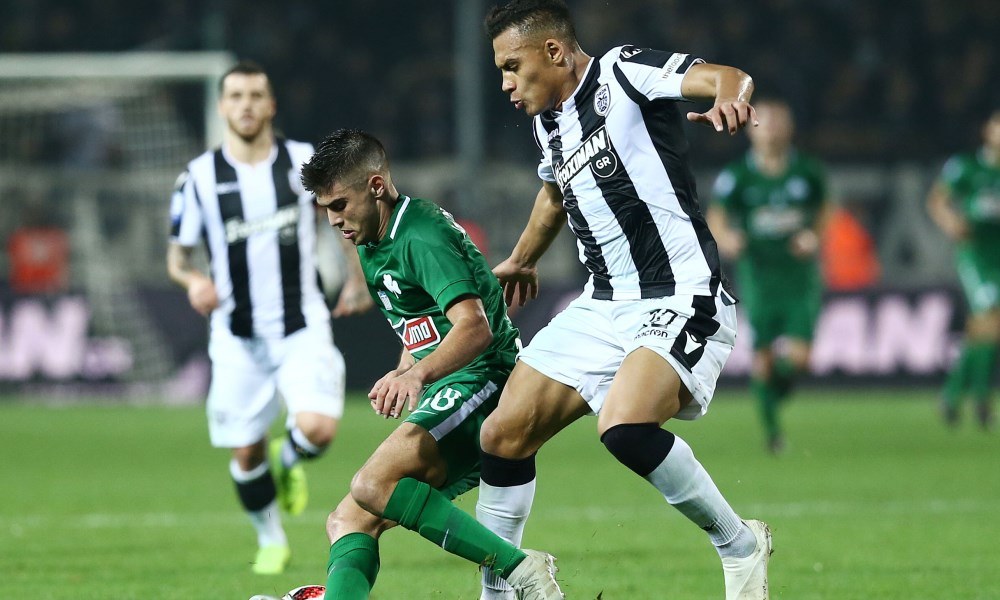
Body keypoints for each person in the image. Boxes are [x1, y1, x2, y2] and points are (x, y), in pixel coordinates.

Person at [479, 1, 772, 598]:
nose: (506, 83)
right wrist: (524, 257)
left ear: (553, 51)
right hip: (602, 303)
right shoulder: (548, 122)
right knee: (502, 435)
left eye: (512, 66)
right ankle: (500, 590)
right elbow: (554, 193)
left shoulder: (622, 72)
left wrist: (731, 96)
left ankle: (739, 543)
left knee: (625, 426)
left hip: (680, 292)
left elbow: (724, 76)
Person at [297, 128, 563, 600]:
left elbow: (474, 327)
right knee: (348, 520)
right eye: (325, 210)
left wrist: (419, 375)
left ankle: (522, 569)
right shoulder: (373, 238)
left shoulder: (420, 235)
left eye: (339, 205)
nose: (334, 220)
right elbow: (420, 320)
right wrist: (406, 369)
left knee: (372, 484)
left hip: (485, 379)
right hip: (454, 384)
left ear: (376, 186)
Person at [166, 61, 369, 575]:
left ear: (272, 105)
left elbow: (342, 221)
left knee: (318, 429)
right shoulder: (199, 177)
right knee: (245, 452)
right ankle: (270, 538)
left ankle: (289, 459)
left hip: (301, 323)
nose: (247, 105)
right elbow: (177, 257)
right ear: (221, 107)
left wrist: (356, 277)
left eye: (256, 95)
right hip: (237, 335)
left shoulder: (303, 162)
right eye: (236, 96)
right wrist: (194, 282)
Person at [707, 98, 832, 453]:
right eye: (766, 122)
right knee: (762, 352)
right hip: (758, 274)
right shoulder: (739, 176)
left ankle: (771, 392)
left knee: (800, 358)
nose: (772, 129)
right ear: (751, 130)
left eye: (779, 122)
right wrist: (728, 238)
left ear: (790, 129)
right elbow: (717, 216)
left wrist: (814, 235)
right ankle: (773, 433)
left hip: (799, 276)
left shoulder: (807, 171)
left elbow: (825, 209)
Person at [926, 109, 1000, 429]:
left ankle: (954, 393)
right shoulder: (967, 167)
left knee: (984, 329)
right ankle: (980, 398)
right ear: (987, 132)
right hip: (977, 255)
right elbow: (937, 200)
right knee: (991, 322)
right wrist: (952, 223)